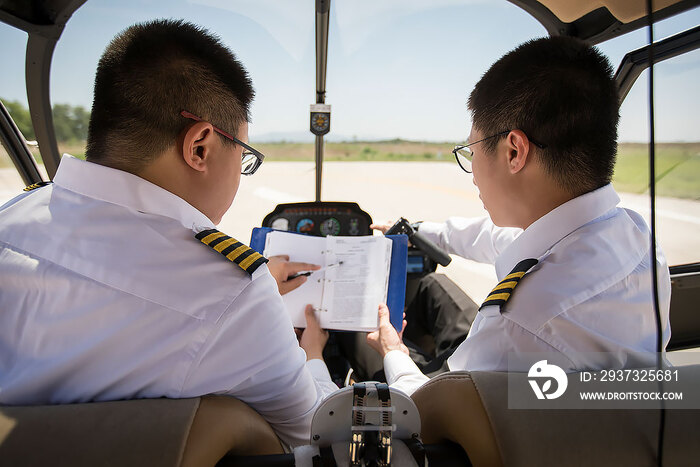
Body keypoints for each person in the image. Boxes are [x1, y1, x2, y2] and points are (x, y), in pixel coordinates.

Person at [0, 19, 336, 447]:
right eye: (245, 157)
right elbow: (312, 436)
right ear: (200, 146)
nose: (241, 174)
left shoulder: (10, 221)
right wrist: (313, 356)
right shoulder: (232, 296)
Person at [363, 36, 672, 396]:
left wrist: (392, 351)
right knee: (435, 286)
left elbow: (425, 412)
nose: (473, 171)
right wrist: (418, 231)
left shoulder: (519, 323)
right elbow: (501, 239)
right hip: (622, 432)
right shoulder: (634, 235)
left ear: (514, 151)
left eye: (471, 151)